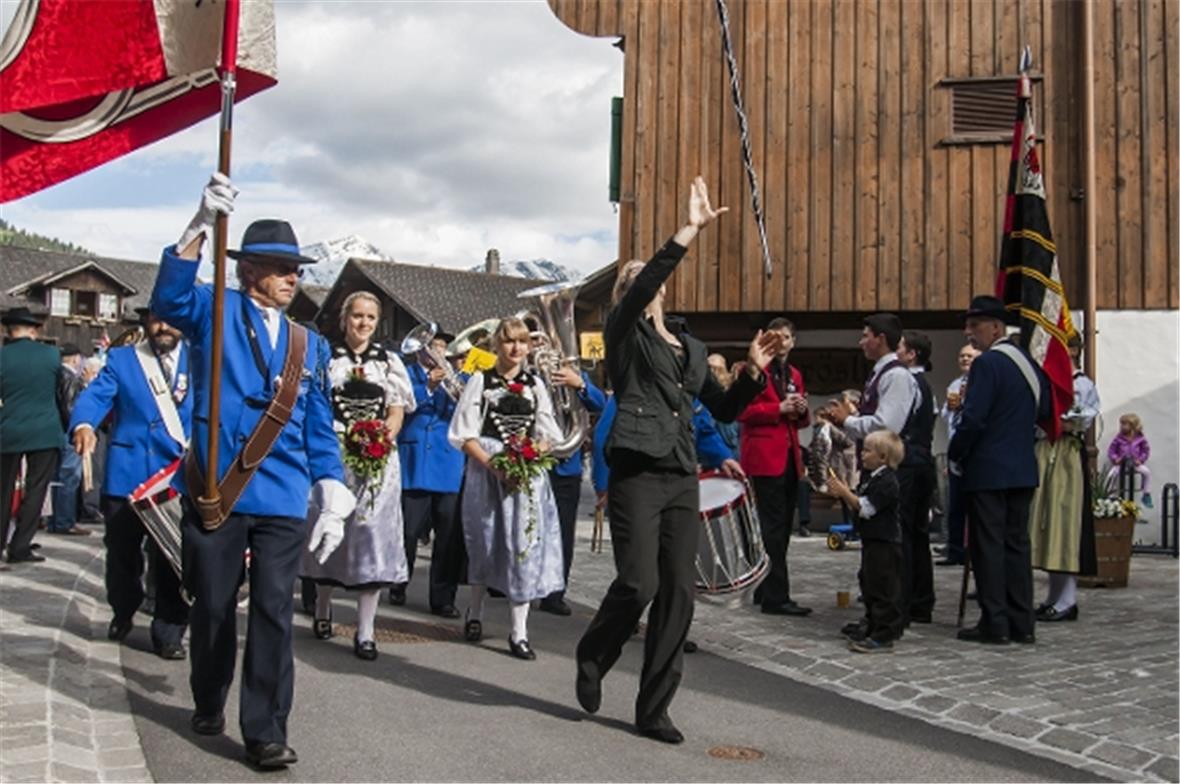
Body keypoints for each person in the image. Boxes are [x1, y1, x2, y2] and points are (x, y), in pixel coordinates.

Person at [151, 175, 353, 769]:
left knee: (272, 611)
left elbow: (317, 422)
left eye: (296, 269)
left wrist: (332, 484)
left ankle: (265, 730)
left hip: (284, 494)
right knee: (213, 606)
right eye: (282, 268)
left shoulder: (308, 343)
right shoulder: (215, 309)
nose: (293, 277)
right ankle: (209, 693)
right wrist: (197, 226)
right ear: (249, 270)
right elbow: (169, 299)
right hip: (219, 488)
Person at [575, 177, 777, 745]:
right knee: (637, 583)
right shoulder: (623, 335)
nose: (642, 282)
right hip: (637, 471)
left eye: (648, 278)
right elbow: (641, 284)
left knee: (678, 594)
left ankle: (654, 710)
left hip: (681, 474)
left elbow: (723, 408)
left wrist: (751, 373)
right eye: (632, 279)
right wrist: (689, 229)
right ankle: (593, 655)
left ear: (664, 292)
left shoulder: (690, 349)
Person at [70, 309, 192, 658]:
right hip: (128, 475)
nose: (163, 327)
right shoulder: (124, 359)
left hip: (177, 477)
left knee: (173, 558)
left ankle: (170, 631)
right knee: (122, 555)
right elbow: (97, 396)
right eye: (155, 319)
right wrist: (84, 424)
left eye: (170, 319)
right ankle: (124, 609)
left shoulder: (202, 361)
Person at [301, 291, 414, 661]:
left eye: (370, 317)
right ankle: (322, 606)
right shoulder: (327, 357)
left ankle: (365, 630)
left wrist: (381, 438)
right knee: (332, 527)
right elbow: (316, 406)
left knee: (372, 537)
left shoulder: (389, 362)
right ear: (344, 318)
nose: (363, 323)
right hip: (336, 453)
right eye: (357, 316)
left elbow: (396, 410)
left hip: (378, 457)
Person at [448, 317, 564, 661]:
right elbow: (463, 434)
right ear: (497, 345)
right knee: (484, 539)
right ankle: (475, 611)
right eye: (510, 341)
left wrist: (530, 454)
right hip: (487, 470)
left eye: (522, 341)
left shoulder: (535, 384)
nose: (516, 348)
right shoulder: (480, 381)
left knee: (522, 546)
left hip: (525, 475)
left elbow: (549, 434)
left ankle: (519, 632)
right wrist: (494, 464)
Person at [947, 295, 1048, 646]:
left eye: (975, 325)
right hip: (1021, 466)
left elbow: (974, 418)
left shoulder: (988, 364)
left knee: (988, 547)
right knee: (1016, 546)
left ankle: (996, 622)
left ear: (995, 327)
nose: (969, 332)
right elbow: (1044, 408)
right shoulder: (1027, 363)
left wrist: (956, 453)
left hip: (989, 468)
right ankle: (1023, 622)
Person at [739, 316, 812, 615]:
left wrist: (801, 410)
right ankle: (776, 597)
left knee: (782, 528)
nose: (781, 342)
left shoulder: (794, 374)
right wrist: (778, 408)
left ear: (793, 342)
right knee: (771, 527)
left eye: (786, 337)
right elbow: (742, 411)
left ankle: (765, 588)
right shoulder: (753, 370)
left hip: (790, 455)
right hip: (764, 455)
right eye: (776, 336)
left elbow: (800, 421)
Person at [392, 331, 465, 617]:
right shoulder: (406, 372)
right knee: (408, 532)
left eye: (442, 347)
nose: (437, 352)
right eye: (433, 346)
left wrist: (457, 386)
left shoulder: (459, 376)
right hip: (415, 460)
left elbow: (469, 413)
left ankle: (443, 598)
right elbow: (402, 405)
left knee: (447, 537)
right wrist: (429, 387)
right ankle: (399, 581)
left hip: (448, 463)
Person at [1030, 333, 1099, 622]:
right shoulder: (1047, 379)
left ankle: (1068, 598)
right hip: (1045, 450)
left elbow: (1081, 419)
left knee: (1064, 520)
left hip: (1066, 453)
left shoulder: (1081, 383)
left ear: (1072, 350)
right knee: (1047, 523)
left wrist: (1062, 420)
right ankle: (1054, 595)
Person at [826, 429, 905, 653]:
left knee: (882, 587)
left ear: (883, 457)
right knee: (868, 582)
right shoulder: (872, 477)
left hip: (885, 541)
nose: (862, 454)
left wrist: (845, 493)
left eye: (868, 451)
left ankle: (884, 634)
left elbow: (867, 508)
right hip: (872, 539)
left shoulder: (887, 481)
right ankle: (871, 624)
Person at [539, 365, 606, 616]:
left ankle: (555, 593)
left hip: (566, 466)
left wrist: (580, 384)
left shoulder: (574, 372)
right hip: (534, 462)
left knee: (563, 533)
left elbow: (600, 403)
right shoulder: (525, 372)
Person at [0, 306, 62, 564]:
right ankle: (20, 546)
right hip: (45, 428)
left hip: (8, 428)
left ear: (8, 330)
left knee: (3, 491)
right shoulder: (52, 355)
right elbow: (60, 393)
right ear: (33, 330)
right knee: (36, 489)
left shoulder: (2, 356)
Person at [895, 330, 936, 625]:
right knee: (919, 534)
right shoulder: (925, 385)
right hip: (923, 460)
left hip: (909, 461)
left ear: (912, 354)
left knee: (905, 533)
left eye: (899, 347)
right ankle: (922, 600)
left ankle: (906, 598)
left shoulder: (909, 382)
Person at [937, 343, 980, 566]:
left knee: (976, 506)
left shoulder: (981, 382)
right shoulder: (955, 384)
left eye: (969, 356)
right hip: (955, 449)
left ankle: (974, 551)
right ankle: (954, 550)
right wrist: (952, 406)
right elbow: (945, 416)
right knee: (955, 505)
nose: (965, 359)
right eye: (962, 356)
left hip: (974, 452)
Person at [48, 343, 90, 537]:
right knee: (69, 477)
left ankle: (56, 519)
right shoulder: (70, 377)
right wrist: (77, 428)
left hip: (58, 431)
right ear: (76, 358)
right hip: (69, 433)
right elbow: (69, 407)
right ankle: (64, 521)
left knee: (58, 477)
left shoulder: (57, 375)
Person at [1106, 414, 1152, 508]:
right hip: (1121, 463)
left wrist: (1140, 460)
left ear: (1132, 426)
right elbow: (1111, 450)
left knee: (1147, 472)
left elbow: (1145, 451)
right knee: (1111, 475)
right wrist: (1115, 459)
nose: (1122, 426)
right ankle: (1111, 496)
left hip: (1135, 463)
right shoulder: (1119, 438)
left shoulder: (1140, 439)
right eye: (1121, 424)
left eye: (1124, 424)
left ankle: (1146, 494)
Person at [706, 353, 740, 452]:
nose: (713, 372)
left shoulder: (730, 390)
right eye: (709, 368)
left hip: (730, 440)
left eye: (718, 369)